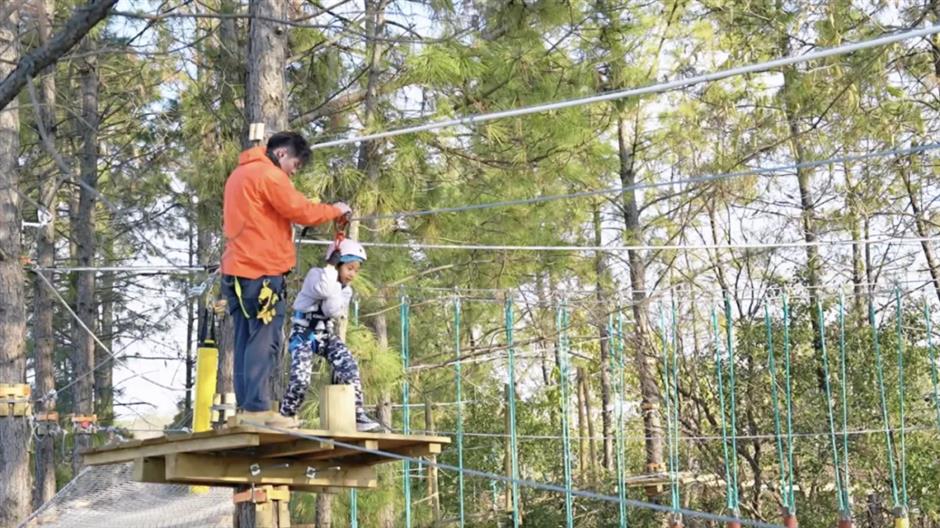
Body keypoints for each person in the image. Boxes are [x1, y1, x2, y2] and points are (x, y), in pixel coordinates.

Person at [220, 131, 350, 426]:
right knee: (264, 340)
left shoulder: (239, 175)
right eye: (295, 164)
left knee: (244, 339)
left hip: (237, 271)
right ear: (281, 154)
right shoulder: (268, 175)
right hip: (261, 272)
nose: (294, 172)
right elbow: (300, 210)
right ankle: (256, 410)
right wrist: (335, 210)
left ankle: (247, 409)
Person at [279, 238, 380, 431]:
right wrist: (330, 268)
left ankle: (357, 413)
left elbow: (331, 310)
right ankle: (287, 415)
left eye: (356, 270)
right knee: (301, 380)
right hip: (303, 333)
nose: (352, 274)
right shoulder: (316, 275)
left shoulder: (346, 290)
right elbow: (324, 289)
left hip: (324, 334)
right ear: (337, 264)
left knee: (349, 366)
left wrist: (337, 281)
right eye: (349, 268)